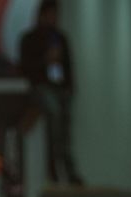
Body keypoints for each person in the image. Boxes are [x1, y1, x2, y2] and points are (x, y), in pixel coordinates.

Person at [19, 1, 82, 186]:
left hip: (60, 88)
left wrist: (70, 87)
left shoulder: (60, 38)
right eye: (50, 15)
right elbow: (26, 68)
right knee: (54, 115)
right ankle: (54, 166)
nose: (53, 19)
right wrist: (44, 60)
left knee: (65, 127)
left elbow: (69, 66)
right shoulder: (29, 39)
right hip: (41, 86)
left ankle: (66, 168)